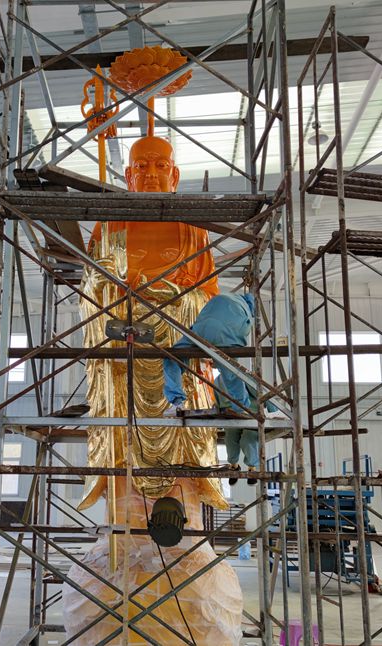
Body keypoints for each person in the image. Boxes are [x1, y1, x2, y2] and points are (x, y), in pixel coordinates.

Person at [79, 134, 226, 510]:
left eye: (160, 167)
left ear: (174, 176)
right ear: (128, 176)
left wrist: (170, 299)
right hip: (125, 352)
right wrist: (103, 286)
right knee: (121, 421)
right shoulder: (110, 226)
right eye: (141, 167)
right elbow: (89, 293)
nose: (150, 175)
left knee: (184, 405)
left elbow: (209, 300)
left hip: (175, 352)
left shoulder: (192, 227)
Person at [163, 292, 256, 416]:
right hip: (228, 337)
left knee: (173, 357)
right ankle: (242, 408)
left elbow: (204, 316)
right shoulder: (246, 311)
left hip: (201, 331)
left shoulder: (223, 297)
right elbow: (243, 332)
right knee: (231, 373)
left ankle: (177, 403)